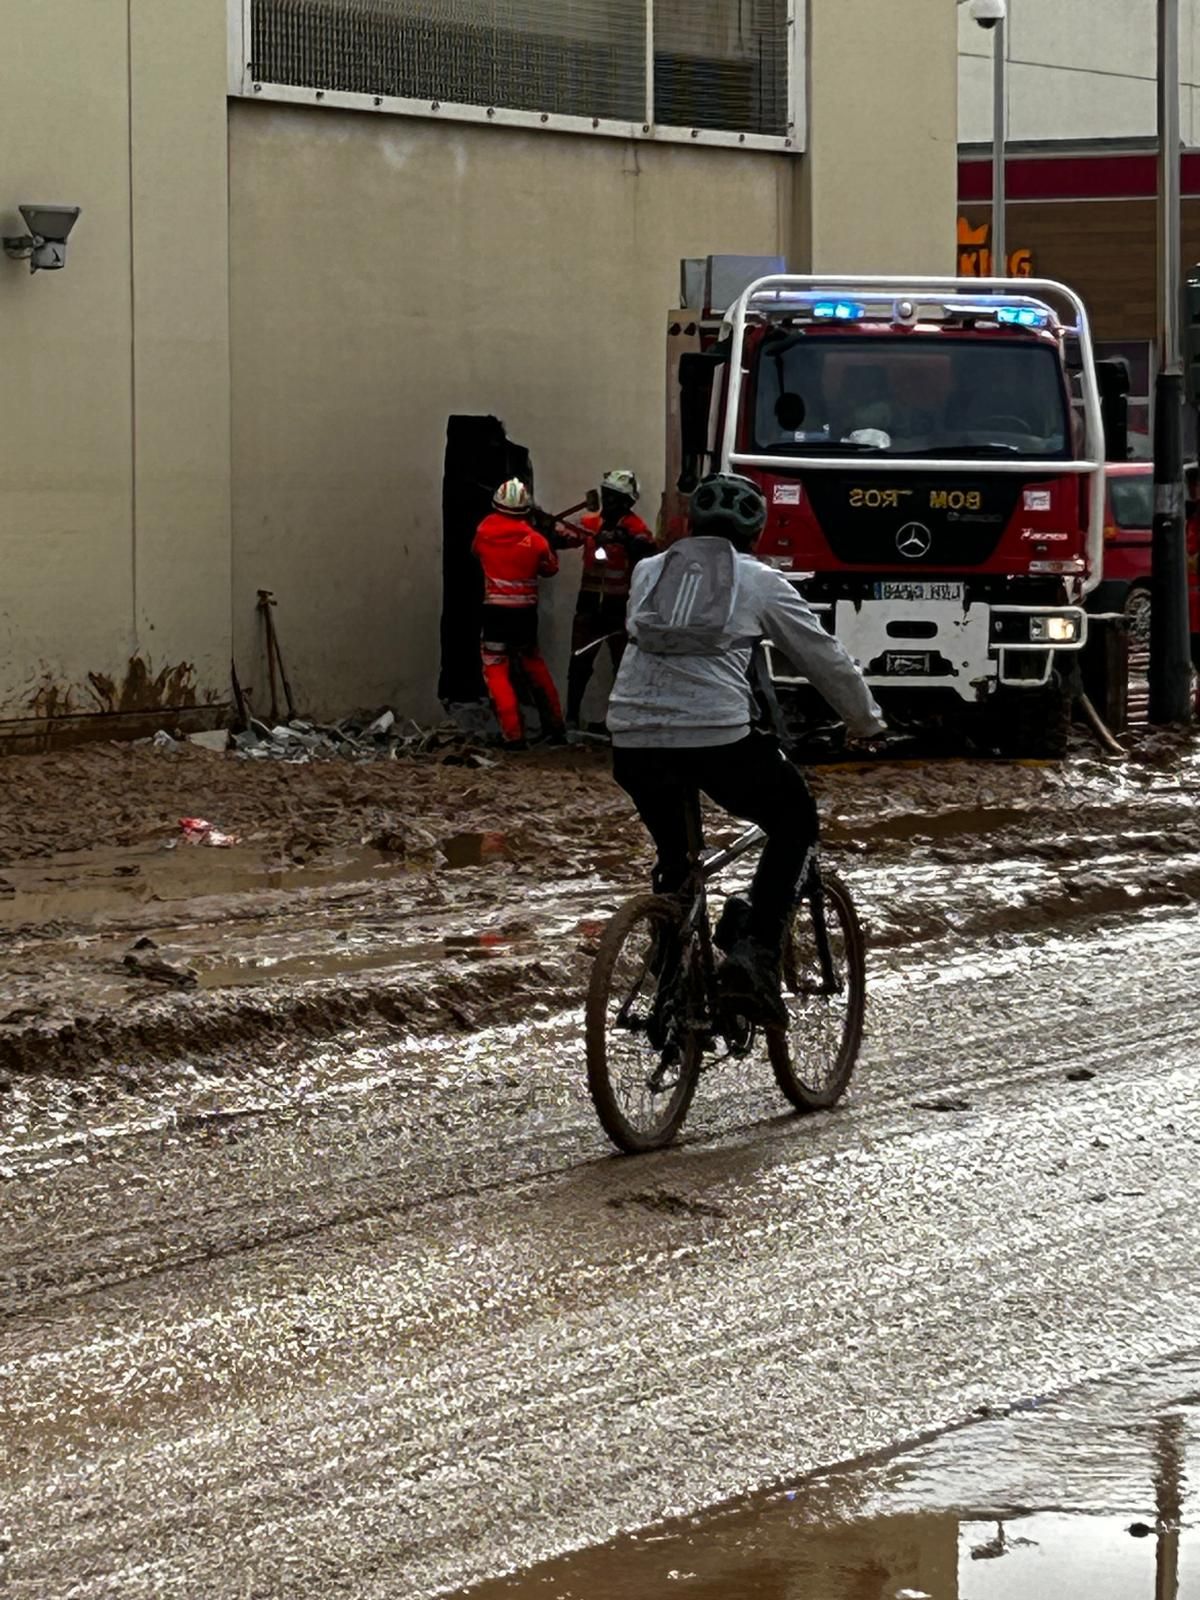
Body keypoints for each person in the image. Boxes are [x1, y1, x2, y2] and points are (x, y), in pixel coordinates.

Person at [607, 471, 886, 1024]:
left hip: (631, 738)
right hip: (716, 738)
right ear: (757, 531)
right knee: (793, 816)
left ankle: (670, 978)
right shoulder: (761, 582)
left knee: (677, 859)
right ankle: (754, 954)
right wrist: (866, 722)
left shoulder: (647, 571)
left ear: (691, 524)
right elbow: (822, 658)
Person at [472, 478, 567, 751]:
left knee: (496, 669)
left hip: (494, 614)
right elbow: (551, 568)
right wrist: (545, 534)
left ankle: (513, 736)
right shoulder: (535, 541)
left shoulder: (483, 531)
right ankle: (556, 727)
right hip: (525, 615)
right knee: (534, 666)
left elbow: (476, 552)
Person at [566, 469, 657, 731]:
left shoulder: (636, 528)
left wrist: (623, 539)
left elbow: (648, 549)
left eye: (615, 497)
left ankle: (618, 722)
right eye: (607, 495)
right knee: (580, 662)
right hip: (590, 602)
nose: (609, 502)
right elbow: (565, 536)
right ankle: (571, 717)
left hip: (618, 607)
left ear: (627, 502)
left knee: (622, 666)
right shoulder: (590, 523)